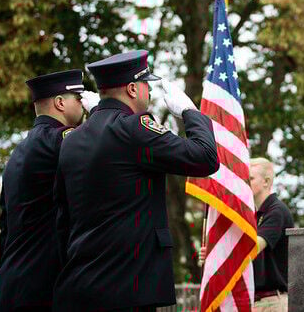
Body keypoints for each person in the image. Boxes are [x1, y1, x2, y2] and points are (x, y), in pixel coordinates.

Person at [52, 50, 219, 312]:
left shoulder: (71, 140)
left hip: (79, 285)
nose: (149, 93)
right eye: (146, 85)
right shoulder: (135, 128)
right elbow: (206, 158)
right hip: (127, 288)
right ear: (132, 89)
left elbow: (62, 217)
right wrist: (190, 112)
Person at [0, 69, 87, 312]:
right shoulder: (60, 139)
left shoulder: (19, 151)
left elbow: (5, 223)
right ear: (60, 103)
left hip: (12, 283)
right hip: (42, 287)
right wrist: (102, 111)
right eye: (79, 99)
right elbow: (102, 146)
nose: (84, 105)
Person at [199, 157, 294, 311]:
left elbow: (252, 248)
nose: (245, 183)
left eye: (251, 178)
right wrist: (213, 253)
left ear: (266, 181)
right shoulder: (252, 214)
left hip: (271, 302)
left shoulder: (276, 210)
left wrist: (221, 252)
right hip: (255, 300)